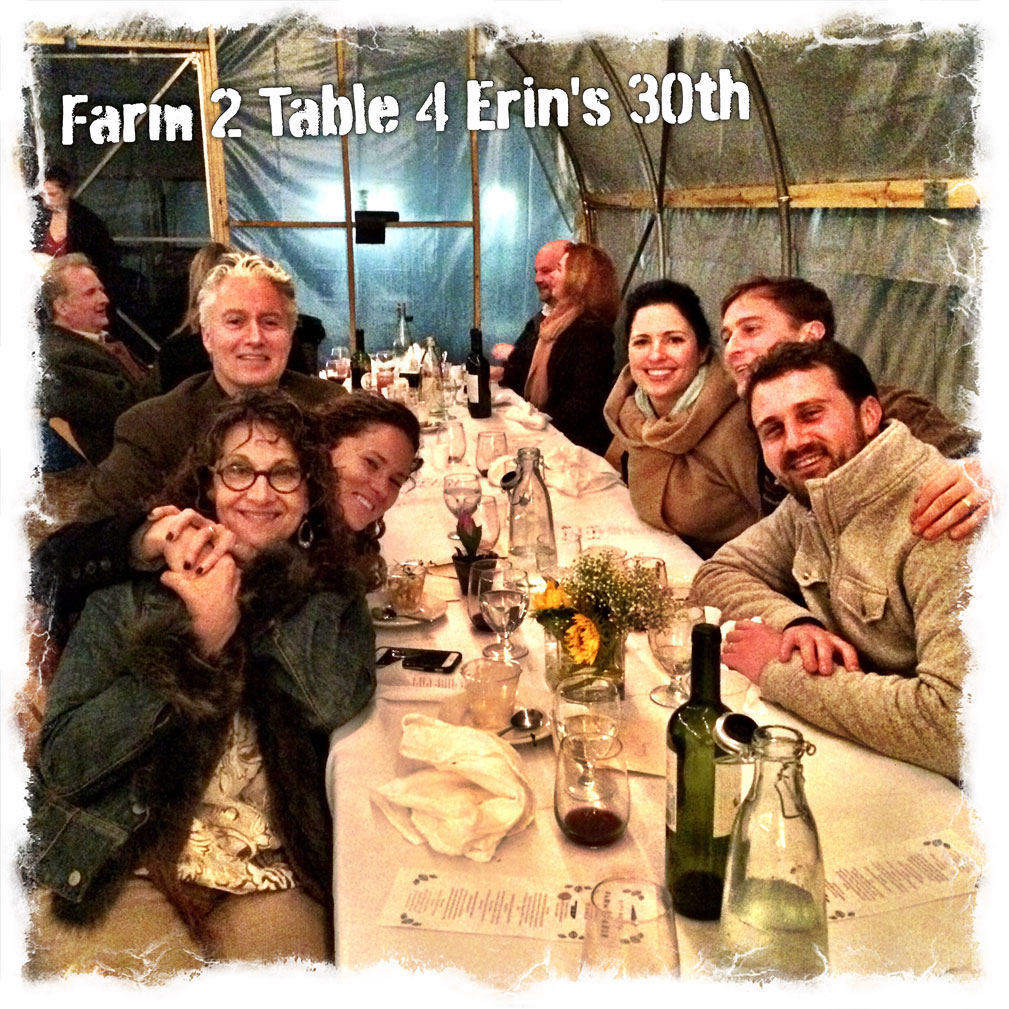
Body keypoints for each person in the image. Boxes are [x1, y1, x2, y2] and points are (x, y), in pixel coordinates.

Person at [22, 392, 375, 977]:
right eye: (238, 470)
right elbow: (66, 762)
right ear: (210, 485)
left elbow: (328, 700)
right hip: (123, 856)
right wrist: (199, 646)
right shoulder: (133, 591)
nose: (260, 493)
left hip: (271, 867)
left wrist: (264, 590)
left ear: (310, 492)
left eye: (284, 473)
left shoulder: (331, 592)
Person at [691, 341, 969, 780]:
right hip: (867, 758)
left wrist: (777, 668)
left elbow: (957, 728)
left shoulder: (945, 514)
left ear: (869, 414)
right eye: (773, 429)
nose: (795, 441)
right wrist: (794, 624)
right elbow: (718, 573)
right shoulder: (813, 499)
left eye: (811, 414)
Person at [76, 250, 343, 519]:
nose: (255, 337)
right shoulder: (154, 428)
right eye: (235, 321)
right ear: (207, 337)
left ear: (290, 335)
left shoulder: (332, 411)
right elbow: (87, 530)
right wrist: (149, 537)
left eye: (270, 322)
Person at [719, 275, 989, 539]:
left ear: (810, 335)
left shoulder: (894, 409)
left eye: (751, 329)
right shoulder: (764, 426)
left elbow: (980, 467)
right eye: (727, 337)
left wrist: (990, 473)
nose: (732, 350)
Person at [603, 280, 761, 558]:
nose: (656, 355)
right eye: (641, 342)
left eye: (674, 340)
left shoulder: (740, 425)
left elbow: (786, 530)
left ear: (702, 352)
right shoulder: (631, 414)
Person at [497, 241, 618, 455]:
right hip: (546, 431)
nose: (550, 277)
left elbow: (582, 404)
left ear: (578, 279)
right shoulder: (554, 321)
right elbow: (526, 375)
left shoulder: (591, 330)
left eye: (558, 270)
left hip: (572, 447)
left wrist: (536, 421)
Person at [36, 254, 155, 468]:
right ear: (62, 307)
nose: (104, 299)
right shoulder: (61, 358)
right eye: (90, 293)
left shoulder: (101, 342)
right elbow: (130, 410)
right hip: (121, 466)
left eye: (101, 290)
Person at [490, 238, 571, 380]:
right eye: (536, 272)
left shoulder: (582, 325)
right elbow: (524, 372)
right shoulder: (541, 317)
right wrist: (501, 372)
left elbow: (557, 377)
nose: (536, 279)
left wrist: (513, 355)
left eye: (546, 271)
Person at [32, 163, 117, 286]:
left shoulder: (86, 221)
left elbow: (104, 260)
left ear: (67, 192)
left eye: (52, 194)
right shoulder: (35, 216)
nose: (47, 201)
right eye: (43, 195)